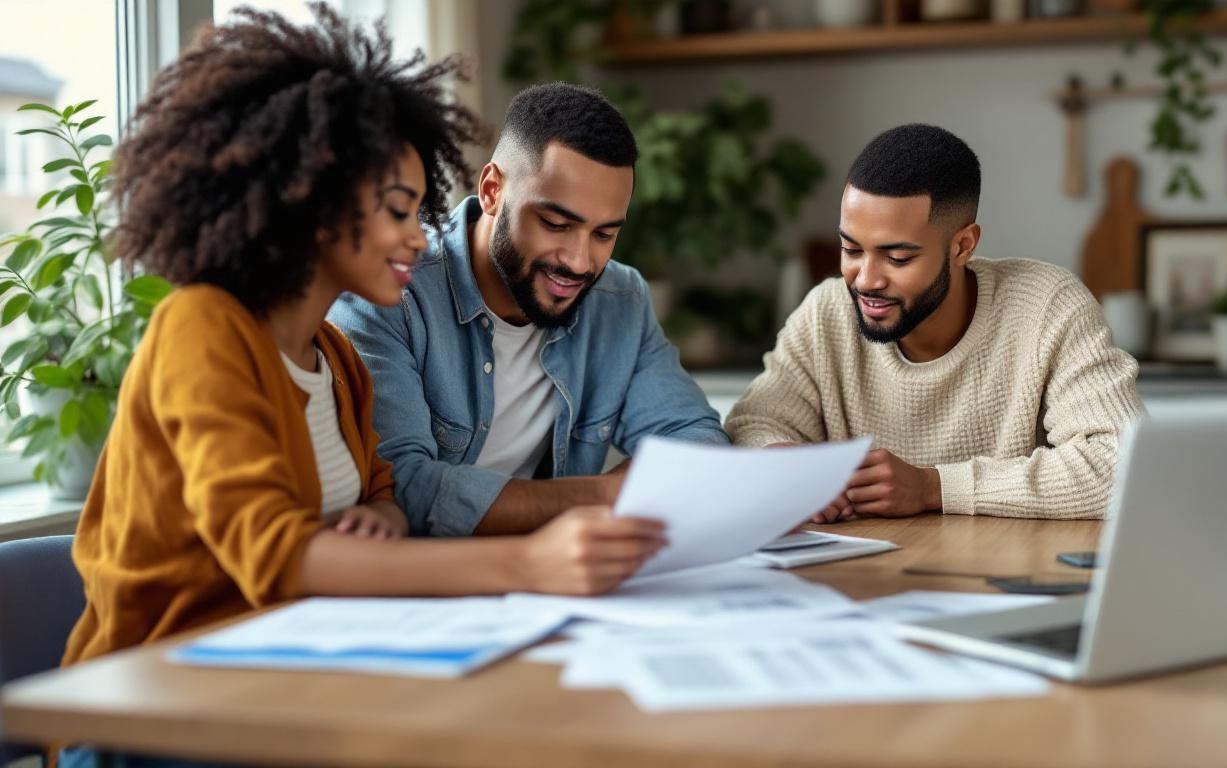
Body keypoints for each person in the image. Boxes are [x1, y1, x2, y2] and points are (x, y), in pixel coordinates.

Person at [62, 3, 667, 700]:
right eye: (396, 210)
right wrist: (527, 562)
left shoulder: (336, 359)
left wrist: (382, 518)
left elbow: (386, 498)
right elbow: (277, 556)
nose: (419, 237)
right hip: (162, 705)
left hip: (303, 683)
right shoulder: (202, 329)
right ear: (311, 203)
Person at [329, 83, 727, 539]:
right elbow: (403, 488)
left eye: (604, 234)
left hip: (556, 578)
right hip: (428, 580)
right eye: (556, 224)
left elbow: (697, 440)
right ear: (493, 190)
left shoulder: (620, 299)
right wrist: (606, 496)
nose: (579, 262)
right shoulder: (389, 289)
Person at [726, 124, 1143, 522]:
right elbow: (753, 425)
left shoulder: (1048, 306)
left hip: (1008, 573)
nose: (866, 279)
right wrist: (778, 460)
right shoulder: (826, 312)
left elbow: (1122, 462)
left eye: (898, 258)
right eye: (851, 249)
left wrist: (933, 487)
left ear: (962, 245)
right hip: (864, 577)